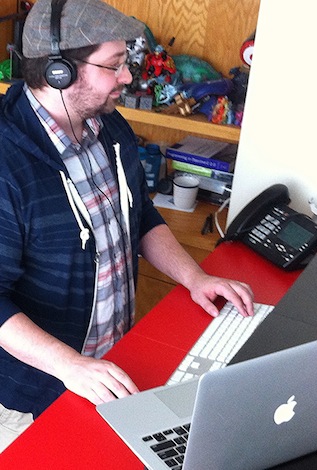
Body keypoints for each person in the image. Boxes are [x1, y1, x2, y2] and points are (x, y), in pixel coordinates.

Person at [0, 0, 254, 451]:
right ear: (59, 71)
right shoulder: (7, 164)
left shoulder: (107, 125)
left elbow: (139, 217)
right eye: (115, 65)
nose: (128, 78)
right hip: (38, 389)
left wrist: (194, 277)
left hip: (112, 360)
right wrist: (70, 366)